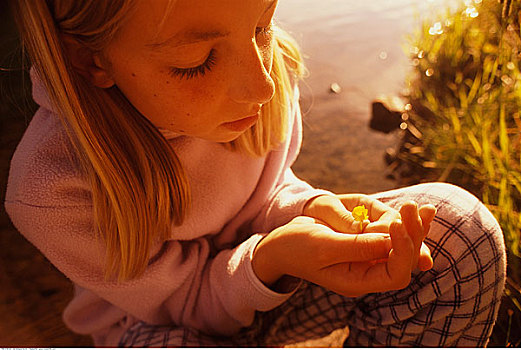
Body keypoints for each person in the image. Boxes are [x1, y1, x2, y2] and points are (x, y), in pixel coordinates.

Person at [5, 0, 506, 347]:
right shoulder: (53, 188)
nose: (263, 86)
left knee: (458, 233)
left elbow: (267, 190)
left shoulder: (254, 77)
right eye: (197, 61)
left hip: (273, 276)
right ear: (89, 60)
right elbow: (176, 303)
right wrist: (272, 257)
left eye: (263, 26)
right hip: (157, 326)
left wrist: (308, 208)